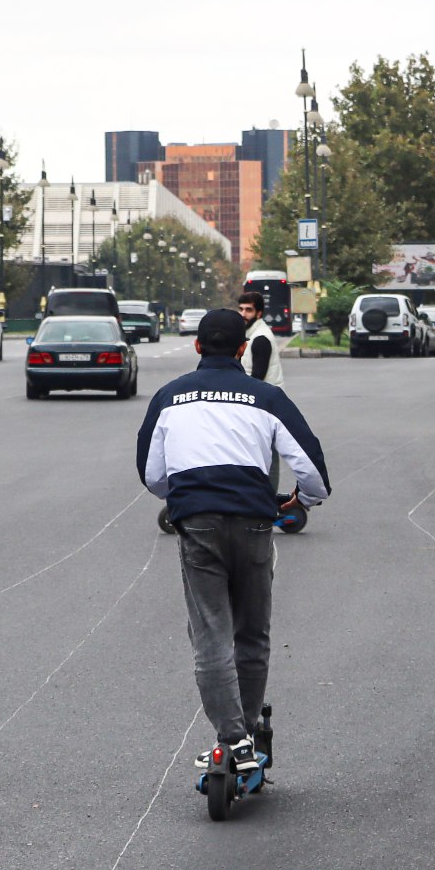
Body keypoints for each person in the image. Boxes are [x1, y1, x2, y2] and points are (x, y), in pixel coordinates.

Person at [137, 309, 330, 772]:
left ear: (197, 346)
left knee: (210, 634)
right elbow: (312, 471)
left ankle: (231, 737)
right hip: (254, 524)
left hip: (197, 523)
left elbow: (152, 474)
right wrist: (302, 498)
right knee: (252, 631)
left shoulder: (168, 396)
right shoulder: (267, 396)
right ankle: (245, 734)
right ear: (243, 348)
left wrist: (185, 496)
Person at [235, 291, 284, 385]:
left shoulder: (261, 338)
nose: (243, 314)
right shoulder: (251, 333)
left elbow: (257, 379)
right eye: (241, 309)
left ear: (259, 314)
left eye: (248, 310)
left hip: (265, 397)